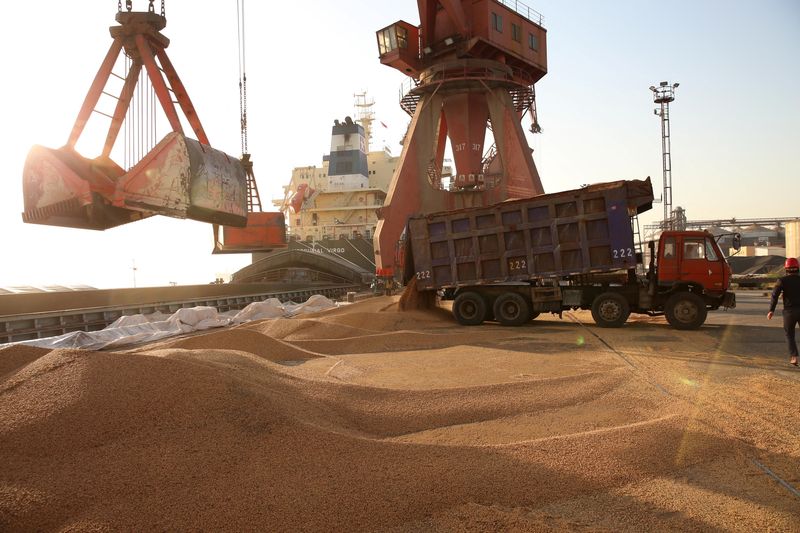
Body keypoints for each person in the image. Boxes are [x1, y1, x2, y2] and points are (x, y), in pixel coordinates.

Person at [767, 257, 800, 366]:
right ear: (798, 268)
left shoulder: (782, 280)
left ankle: (794, 357)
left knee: (789, 334)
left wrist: (771, 310)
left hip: (789, 312)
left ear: (786, 268)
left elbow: (774, 296)